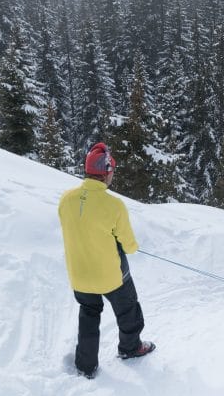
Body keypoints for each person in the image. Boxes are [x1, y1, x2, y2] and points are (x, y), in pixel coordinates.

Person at [58, 142, 155, 379]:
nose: (113, 175)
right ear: (106, 171)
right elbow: (129, 246)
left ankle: (86, 365)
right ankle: (130, 348)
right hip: (111, 275)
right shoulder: (114, 205)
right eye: (112, 171)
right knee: (128, 309)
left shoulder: (66, 200)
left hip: (80, 274)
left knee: (89, 314)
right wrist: (130, 245)